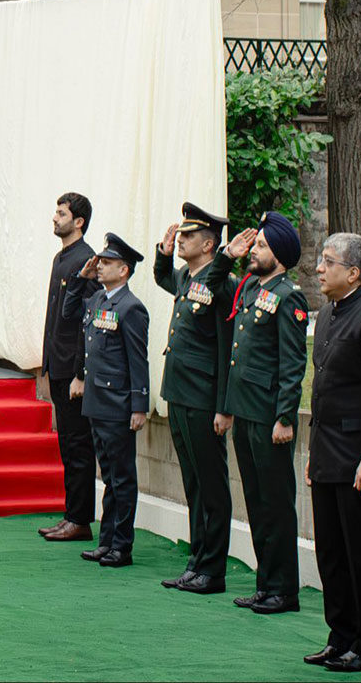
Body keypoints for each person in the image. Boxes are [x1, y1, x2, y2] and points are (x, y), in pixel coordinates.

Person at [305, 232, 361, 673]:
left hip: (354, 458)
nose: (319, 269)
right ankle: (338, 635)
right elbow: (322, 388)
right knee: (331, 553)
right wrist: (312, 452)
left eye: (328, 262)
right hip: (326, 453)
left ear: (354, 273)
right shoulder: (327, 312)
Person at [219, 210, 308, 615]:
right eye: (255, 244)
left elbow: (292, 362)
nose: (254, 251)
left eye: (262, 246)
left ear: (281, 254)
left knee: (276, 505)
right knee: (256, 502)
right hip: (246, 412)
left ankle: (284, 590)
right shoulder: (252, 288)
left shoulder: (289, 296)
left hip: (270, 417)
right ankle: (266, 584)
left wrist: (286, 416)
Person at [155, 202, 238, 595]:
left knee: (212, 486)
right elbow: (162, 277)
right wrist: (163, 252)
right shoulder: (187, 278)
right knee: (193, 483)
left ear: (208, 245)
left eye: (188, 236)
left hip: (205, 396)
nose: (181, 239)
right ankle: (197, 561)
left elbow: (226, 349)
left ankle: (213, 570)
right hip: (180, 391)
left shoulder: (221, 283)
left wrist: (224, 407)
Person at [64, 232, 149, 568]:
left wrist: (139, 405)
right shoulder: (98, 299)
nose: (99, 266)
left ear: (124, 270)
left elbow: (138, 359)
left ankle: (121, 545)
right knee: (109, 476)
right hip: (97, 401)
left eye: (107, 263)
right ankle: (107, 541)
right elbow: (70, 311)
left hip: (118, 403)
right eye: (100, 261)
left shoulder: (131, 307)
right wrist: (80, 278)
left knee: (122, 478)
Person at [37, 191, 97, 543]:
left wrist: (80, 373)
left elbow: (86, 322)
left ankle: (80, 520)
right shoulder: (62, 257)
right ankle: (71, 515)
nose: (55, 218)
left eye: (61, 213)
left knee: (78, 446)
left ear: (79, 221)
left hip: (73, 369)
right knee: (67, 447)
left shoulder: (86, 259)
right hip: (57, 365)